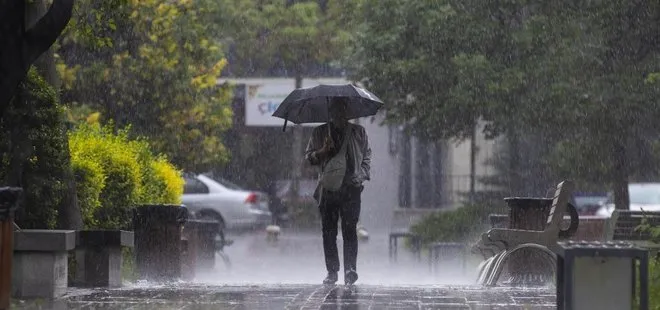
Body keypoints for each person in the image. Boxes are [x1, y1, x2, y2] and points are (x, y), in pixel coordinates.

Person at [304, 97, 371, 285]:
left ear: (346, 111)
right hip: (329, 190)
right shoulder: (319, 133)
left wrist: (362, 175)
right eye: (334, 109)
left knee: (350, 229)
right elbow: (309, 158)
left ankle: (350, 270)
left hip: (351, 189)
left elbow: (367, 156)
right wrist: (323, 151)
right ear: (330, 111)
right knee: (328, 231)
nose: (338, 113)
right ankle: (332, 271)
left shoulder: (359, 132)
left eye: (341, 108)